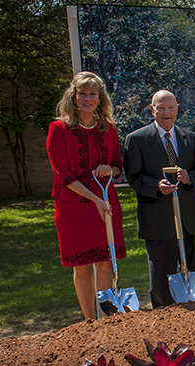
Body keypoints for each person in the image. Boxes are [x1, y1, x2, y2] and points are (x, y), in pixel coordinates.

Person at [47, 71, 125, 320]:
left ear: (100, 98)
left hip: (105, 205)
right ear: (74, 96)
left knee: (104, 262)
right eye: (83, 93)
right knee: (81, 267)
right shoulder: (58, 129)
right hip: (74, 208)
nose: (88, 99)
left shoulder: (108, 129)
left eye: (93, 94)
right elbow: (64, 175)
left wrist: (108, 170)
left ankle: (106, 319)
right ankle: (89, 322)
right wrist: (95, 200)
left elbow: (117, 166)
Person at [124, 90, 195, 308]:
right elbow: (134, 177)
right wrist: (156, 186)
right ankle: (165, 315)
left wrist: (189, 177)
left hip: (189, 217)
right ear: (152, 110)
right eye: (161, 107)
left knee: (194, 268)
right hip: (157, 217)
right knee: (162, 272)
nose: (166, 112)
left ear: (177, 108)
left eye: (170, 107)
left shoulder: (190, 138)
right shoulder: (137, 140)